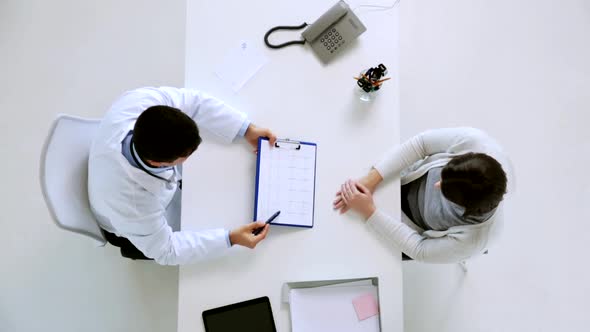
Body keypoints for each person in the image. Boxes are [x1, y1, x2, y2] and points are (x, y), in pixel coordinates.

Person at [88, 87, 277, 265]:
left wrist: (247, 129)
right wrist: (230, 238)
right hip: (126, 224)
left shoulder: (139, 102)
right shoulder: (134, 204)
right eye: (185, 157)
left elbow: (195, 102)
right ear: (157, 163)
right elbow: (166, 250)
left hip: (108, 173)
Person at [333, 127, 512, 263]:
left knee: (351, 248)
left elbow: (419, 249)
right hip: (402, 178)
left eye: (445, 191)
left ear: (464, 206)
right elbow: (421, 144)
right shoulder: (475, 142)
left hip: (408, 229)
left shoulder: (475, 240)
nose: (437, 184)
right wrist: (371, 179)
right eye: (443, 175)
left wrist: (370, 212)